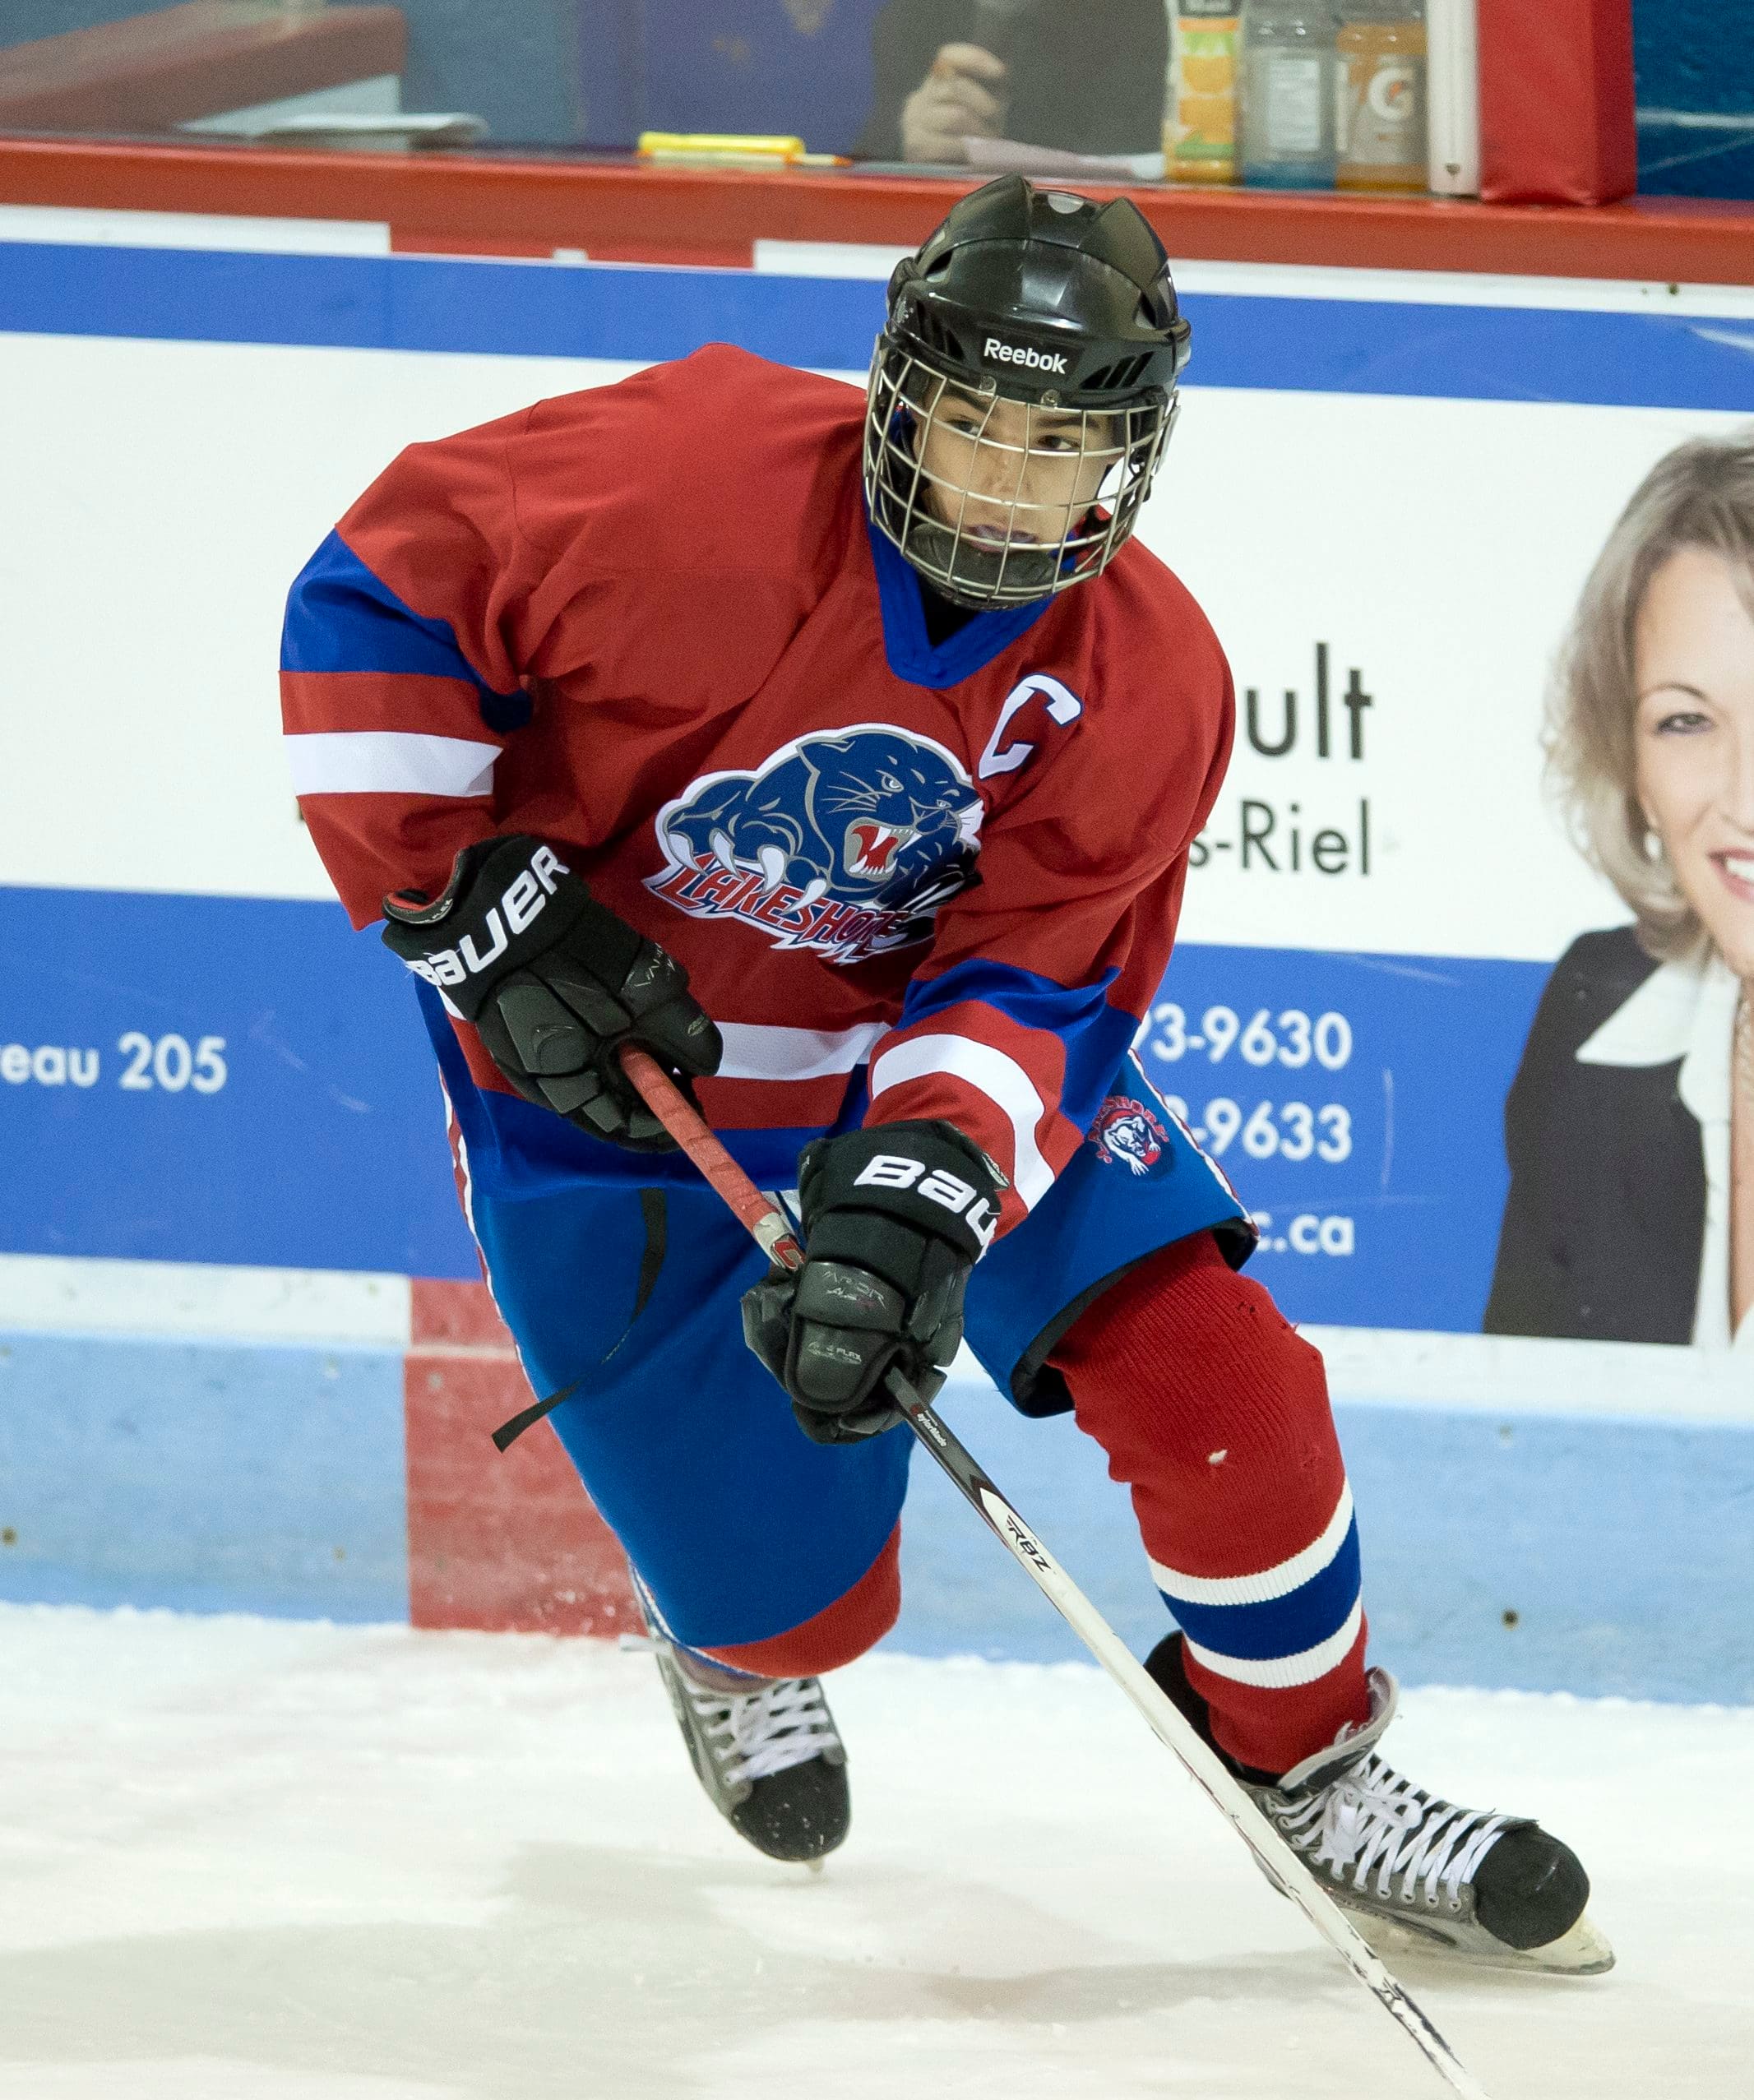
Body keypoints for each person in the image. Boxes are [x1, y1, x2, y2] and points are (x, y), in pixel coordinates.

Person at [282, 175, 1607, 1974]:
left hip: (909, 1071)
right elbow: (378, 592)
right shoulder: (693, 475)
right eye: (967, 420)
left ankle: (1314, 1768)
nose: (996, 477)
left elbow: (1041, 973)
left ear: (1124, 456)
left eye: (1052, 441)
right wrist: (457, 907)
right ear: (896, 388)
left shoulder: (1146, 680)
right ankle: (737, 1647)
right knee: (806, 1606)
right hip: (609, 1100)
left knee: (1224, 1376)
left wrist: (927, 1179)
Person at [1487, 431, 1754, 1350]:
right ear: (1630, 759)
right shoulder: (1594, 1011)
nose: (1745, 799)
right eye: (1685, 721)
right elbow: (1520, 1462)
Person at [859, 0, 1168, 163]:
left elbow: (1132, 158)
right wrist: (911, 136)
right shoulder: (915, 15)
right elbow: (866, 157)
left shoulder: (1148, 19)